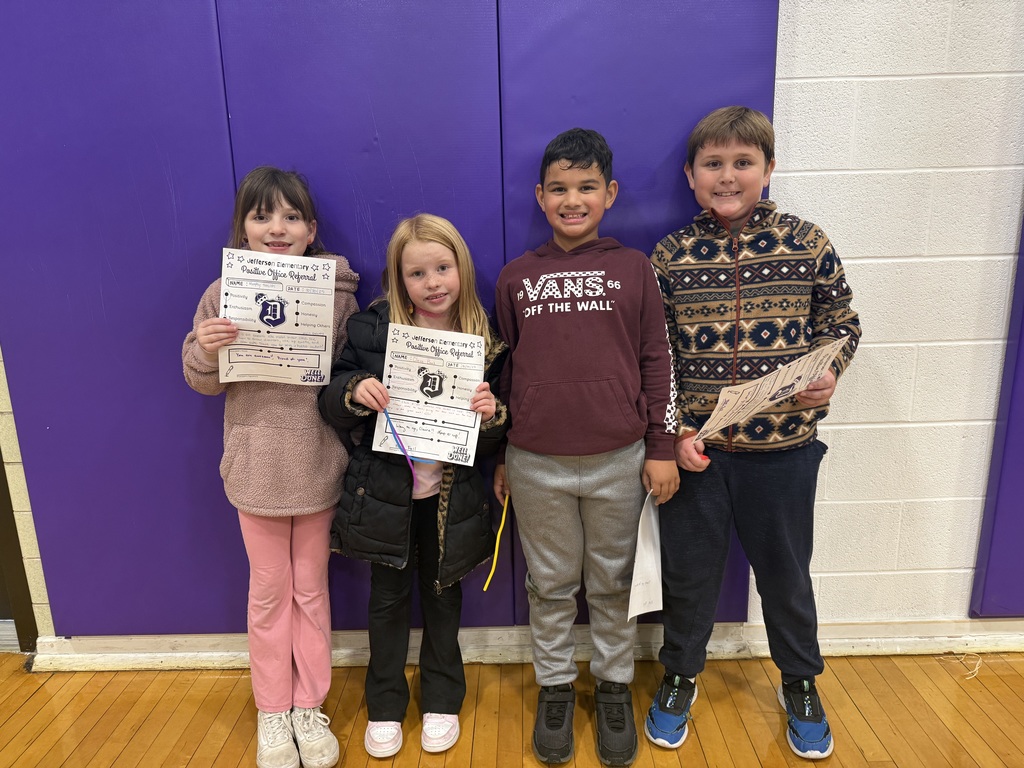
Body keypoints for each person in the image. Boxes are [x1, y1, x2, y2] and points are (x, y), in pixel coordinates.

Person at [646, 106, 861, 761]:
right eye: (714, 164)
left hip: (785, 454)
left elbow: (842, 323)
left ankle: (800, 684)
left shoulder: (807, 241)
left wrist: (831, 370)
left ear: (768, 169)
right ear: (691, 175)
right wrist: (677, 433)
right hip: (700, 456)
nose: (728, 176)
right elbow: (661, 356)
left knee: (787, 577)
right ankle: (681, 675)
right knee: (690, 580)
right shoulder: (669, 256)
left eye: (743, 163)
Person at [493, 128, 679, 766]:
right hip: (536, 461)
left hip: (620, 459)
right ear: (540, 197)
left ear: (610, 193)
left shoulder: (634, 269)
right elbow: (503, 375)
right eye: (560, 189)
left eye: (587, 187)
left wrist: (660, 446)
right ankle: (553, 687)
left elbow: (657, 359)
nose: (573, 200)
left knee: (611, 581)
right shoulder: (516, 278)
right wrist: (502, 457)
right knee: (549, 585)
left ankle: (614, 686)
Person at [183, 166, 359, 768]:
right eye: (262, 217)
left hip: (317, 467)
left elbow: (349, 377)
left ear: (312, 229)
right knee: (268, 592)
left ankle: (309, 707)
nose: (276, 228)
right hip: (255, 469)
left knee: (311, 591)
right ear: (243, 229)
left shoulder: (340, 298)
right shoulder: (221, 292)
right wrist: (205, 347)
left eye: (290, 217)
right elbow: (200, 378)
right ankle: (272, 711)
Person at [318, 213, 509, 759]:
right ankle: (383, 704)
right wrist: (356, 389)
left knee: (444, 598)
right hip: (386, 496)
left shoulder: (483, 337)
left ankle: (442, 699)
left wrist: (492, 413)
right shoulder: (373, 329)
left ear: (462, 269)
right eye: (417, 273)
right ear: (399, 280)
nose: (433, 283)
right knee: (387, 603)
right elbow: (329, 397)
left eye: (442, 268)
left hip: (454, 499)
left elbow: (503, 426)